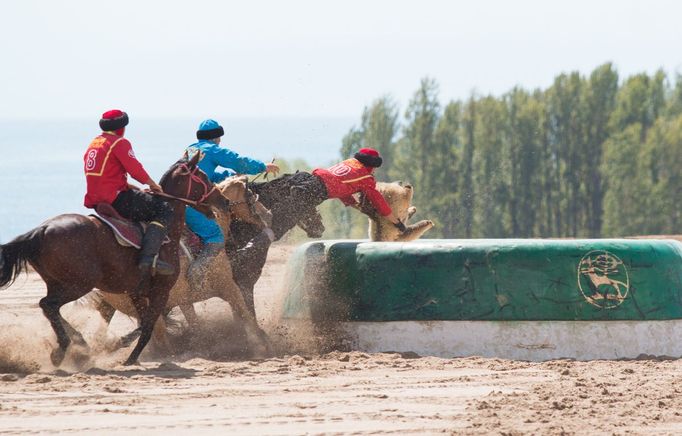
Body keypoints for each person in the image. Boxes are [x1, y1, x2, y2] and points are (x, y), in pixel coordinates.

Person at [83, 109, 175, 275]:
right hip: (117, 199)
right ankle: (148, 257)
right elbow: (135, 169)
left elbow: (110, 177)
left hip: (98, 201)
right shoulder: (119, 142)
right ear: (121, 127)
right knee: (164, 209)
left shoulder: (95, 143)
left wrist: (136, 188)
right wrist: (154, 185)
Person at [184, 119, 279, 277]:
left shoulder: (191, 150)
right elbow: (238, 161)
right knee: (216, 237)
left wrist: (230, 175)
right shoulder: (212, 149)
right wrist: (262, 167)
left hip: (178, 202)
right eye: (219, 137)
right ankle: (196, 273)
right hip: (193, 207)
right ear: (215, 137)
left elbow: (208, 176)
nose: (220, 141)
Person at [286, 147, 406, 233]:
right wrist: (397, 222)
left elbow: (342, 188)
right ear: (371, 165)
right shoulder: (365, 177)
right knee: (317, 230)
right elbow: (379, 202)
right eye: (374, 168)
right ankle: (295, 219)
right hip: (319, 192)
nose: (374, 171)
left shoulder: (349, 163)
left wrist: (356, 205)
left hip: (311, 178)